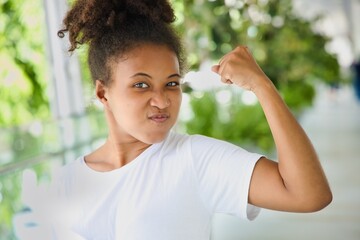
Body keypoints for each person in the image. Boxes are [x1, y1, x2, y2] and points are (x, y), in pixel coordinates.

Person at [17, 0, 332, 239]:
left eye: (171, 83)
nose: (162, 100)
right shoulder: (65, 183)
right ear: (103, 93)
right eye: (141, 85)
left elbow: (309, 194)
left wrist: (263, 88)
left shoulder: (194, 159)